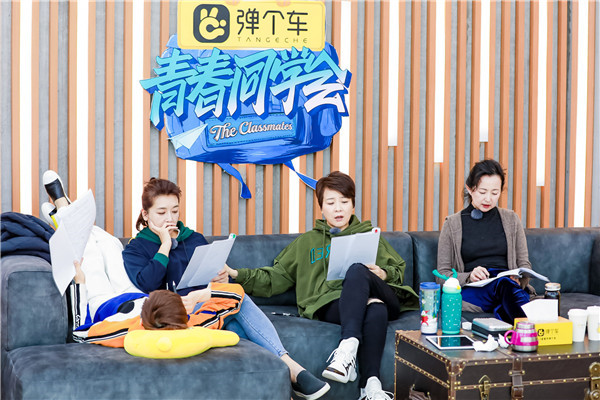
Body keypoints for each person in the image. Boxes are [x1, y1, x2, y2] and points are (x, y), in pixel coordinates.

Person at [122, 178, 329, 400]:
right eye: (161, 212)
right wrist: (165, 245)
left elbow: (214, 281)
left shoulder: (194, 239)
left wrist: (221, 277)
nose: (170, 219)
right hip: (177, 314)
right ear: (146, 215)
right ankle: (294, 371)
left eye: (175, 210)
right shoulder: (136, 248)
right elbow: (147, 283)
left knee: (236, 319)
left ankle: (285, 379)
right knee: (238, 298)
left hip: (210, 305)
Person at [223, 171, 419, 400]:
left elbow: (398, 270)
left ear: (353, 205)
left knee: (357, 270)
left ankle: (346, 350)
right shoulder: (307, 242)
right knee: (375, 308)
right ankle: (371, 387)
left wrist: (383, 273)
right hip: (333, 305)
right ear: (321, 208)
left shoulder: (369, 235)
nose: (338, 209)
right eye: (331, 203)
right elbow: (275, 277)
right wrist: (235, 274)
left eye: (344, 202)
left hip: (385, 296)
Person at [436, 159, 534, 323]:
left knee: (505, 286)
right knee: (505, 287)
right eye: (482, 192)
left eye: (495, 193)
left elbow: (524, 264)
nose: (488, 199)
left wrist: (520, 278)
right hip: (475, 290)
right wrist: (469, 276)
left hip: (507, 285)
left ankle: (510, 323)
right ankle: (528, 329)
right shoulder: (452, 224)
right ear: (470, 189)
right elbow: (441, 275)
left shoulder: (511, 219)